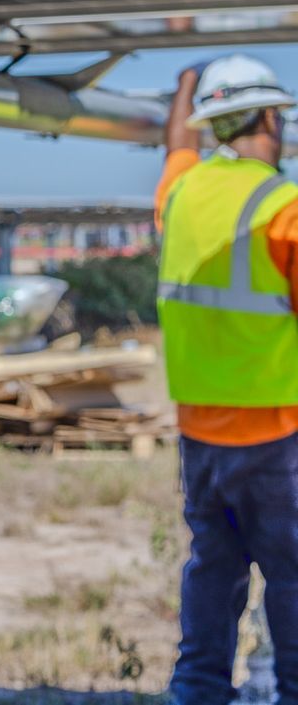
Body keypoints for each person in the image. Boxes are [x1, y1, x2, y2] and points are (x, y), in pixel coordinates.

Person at [157, 54, 298, 705]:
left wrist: (187, 83)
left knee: (212, 569)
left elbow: (177, 148)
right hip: (274, 433)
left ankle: (196, 693)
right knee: (292, 578)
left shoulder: (181, 193)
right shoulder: (283, 206)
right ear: (271, 117)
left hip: (198, 434)